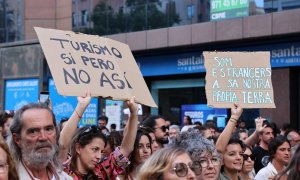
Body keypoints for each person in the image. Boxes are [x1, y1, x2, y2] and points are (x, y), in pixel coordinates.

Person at [7, 94, 91, 179]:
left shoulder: (65, 178)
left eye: (48, 129)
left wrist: (81, 107)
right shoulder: (9, 176)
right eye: (33, 131)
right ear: (17, 139)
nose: (43, 137)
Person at [64, 96, 138, 179]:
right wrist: (80, 107)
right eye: (95, 149)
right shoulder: (62, 173)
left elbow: (126, 149)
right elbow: (62, 144)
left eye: (101, 151)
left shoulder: (103, 171)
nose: (99, 156)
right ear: (78, 148)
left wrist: (134, 113)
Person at [216, 103, 244, 180]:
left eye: (241, 154)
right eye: (232, 154)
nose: (239, 158)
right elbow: (218, 150)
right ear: (221, 160)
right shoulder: (216, 177)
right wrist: (234, 117)